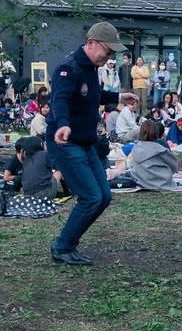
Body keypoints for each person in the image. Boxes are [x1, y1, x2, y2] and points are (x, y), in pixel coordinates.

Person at [47, 22, 138, 266]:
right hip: (67, 141)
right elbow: (61, 100)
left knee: (104, 197)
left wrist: (119, 97)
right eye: (107, 51)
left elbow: (90, 95)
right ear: (90, 43)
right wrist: (63, 124)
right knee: (90, 198)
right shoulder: (69, 68)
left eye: (112, 54)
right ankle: (63, 246)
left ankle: (68, 244)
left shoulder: (89, 67)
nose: (109, 57)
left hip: (86, 142)